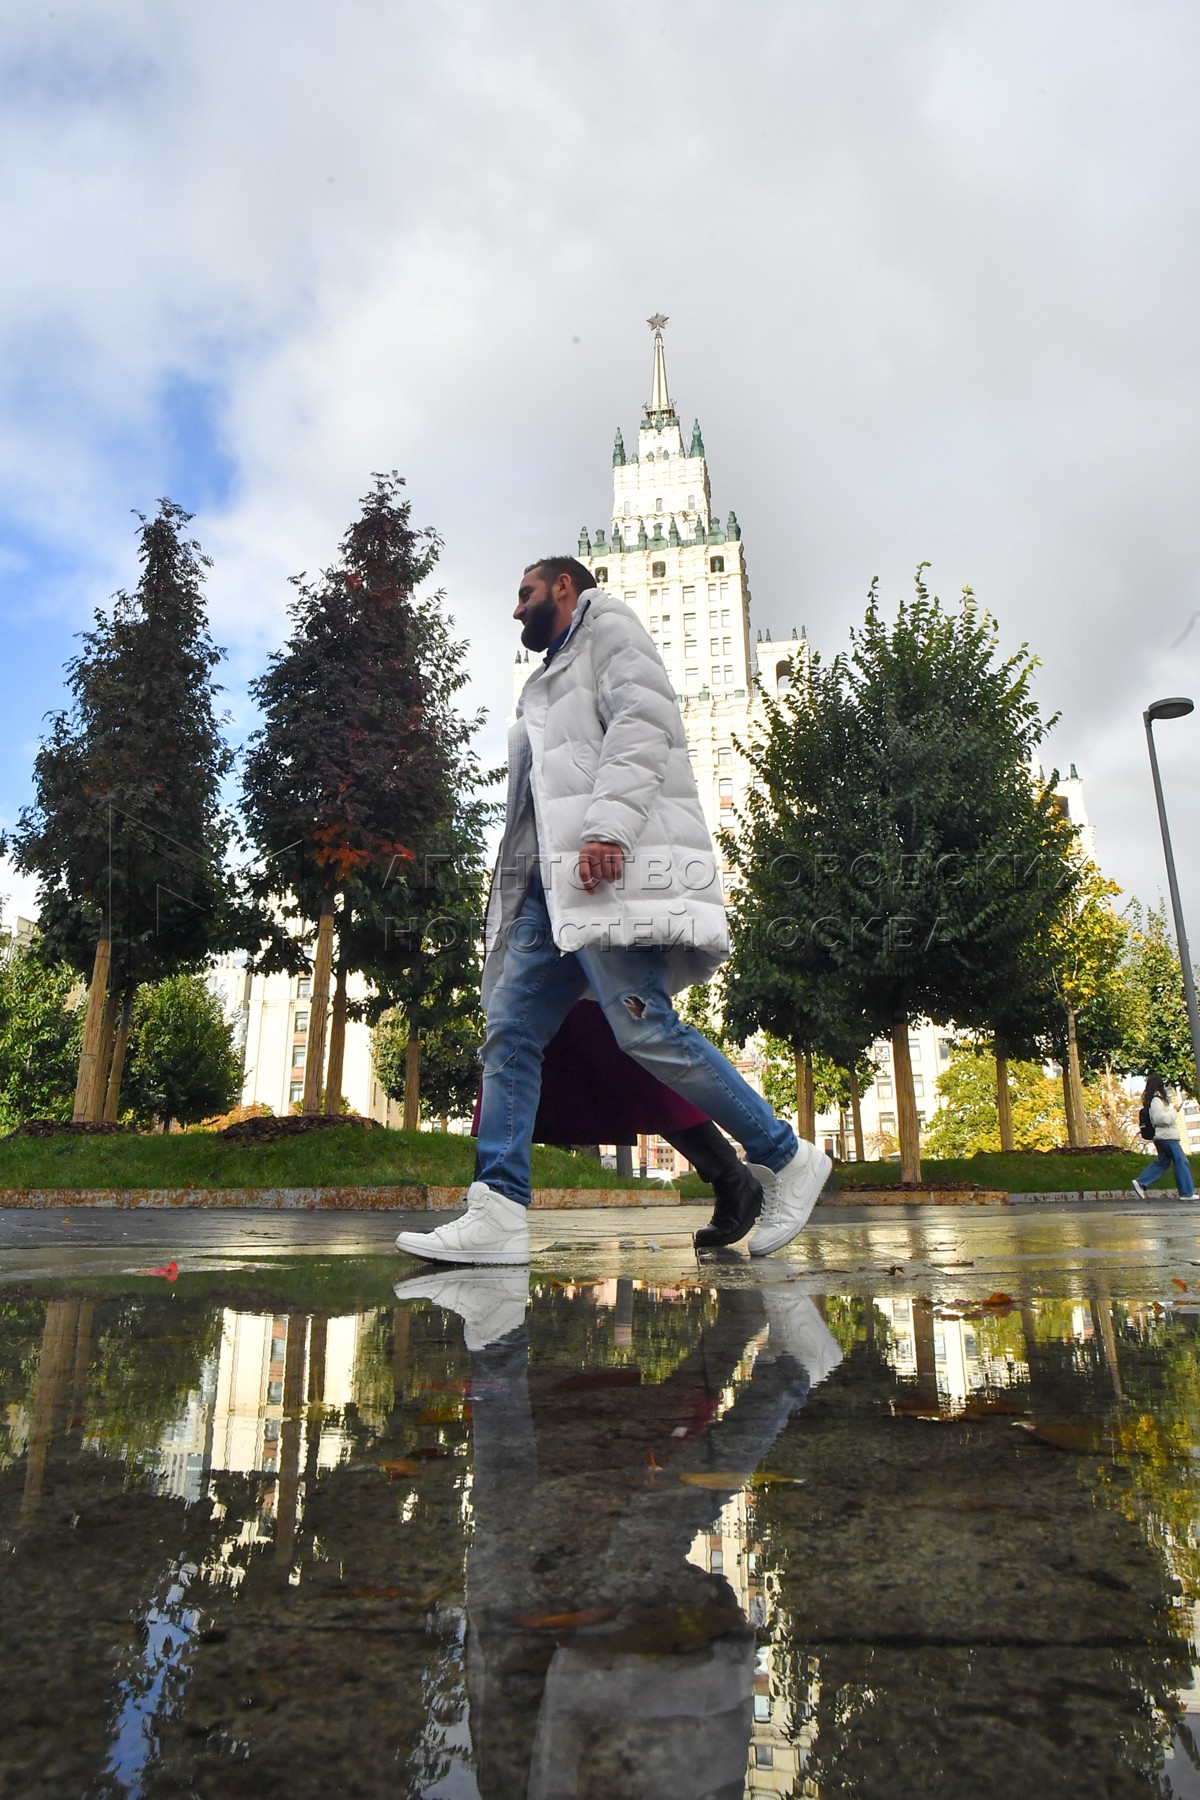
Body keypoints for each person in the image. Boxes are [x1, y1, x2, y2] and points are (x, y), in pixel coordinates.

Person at [395, 557, 831, 1267]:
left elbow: (644, 724)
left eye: (526, 593)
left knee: (645, 1030)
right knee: (509, 1032)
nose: (517, 609)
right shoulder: (548, 676)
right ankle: (496, 1210)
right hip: (548, 890)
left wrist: (606, 831)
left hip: (604, 875)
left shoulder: (610, 629)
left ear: (563, 587)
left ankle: (786, 1156)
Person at [392, 1265, 842, 1796]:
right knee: (590, 1546)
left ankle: (784, 1374)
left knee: (565, 1545)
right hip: (616, 1694)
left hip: (587, 1700)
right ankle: (498, 1342)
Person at [1132, 1074, 1196, 1200]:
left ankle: (1141, 1182)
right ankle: (1187, 1193)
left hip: (1162, 1137)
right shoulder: (1157, 1100)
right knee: (1181, 1161)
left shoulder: (1154, 1100)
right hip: (1167, 1137)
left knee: (1163, 1163)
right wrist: (1174, 1111)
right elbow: (1161, 1119)